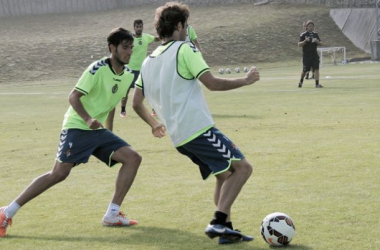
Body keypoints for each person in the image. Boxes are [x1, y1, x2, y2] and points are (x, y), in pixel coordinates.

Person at [132, 2, 260, 245]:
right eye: (186, 25)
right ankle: (218, 222)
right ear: (179, 26)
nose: (187, 30)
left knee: (224, 176)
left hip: (179, 138)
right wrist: (245, 80)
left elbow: (137, 102)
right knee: (243, 169)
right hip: (198, 129)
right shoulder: (185, 49)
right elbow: (211, 83)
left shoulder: (148, 61)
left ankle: (227, 232)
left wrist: (153, 123)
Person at [0, 27, 141, 237]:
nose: (129, 52)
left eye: (131, 47)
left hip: (97, 131)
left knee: (133, 158)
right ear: (112, 48)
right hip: (77, 126)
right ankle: (6, 212)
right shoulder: (96, 69)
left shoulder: (128, 75)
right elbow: (73, 96)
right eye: (124, 47)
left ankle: (112, 214)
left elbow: (110, 104)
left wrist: (108, 132)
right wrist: (87, 118)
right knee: (59, 174)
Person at [120, 19, 160, 118]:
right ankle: (123, 110)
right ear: (134, 27)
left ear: (142, 27)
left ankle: (154, 110)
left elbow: (156, 39)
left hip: (142, 70)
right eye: (137, 27)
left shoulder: (146, 37)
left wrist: (166, 35)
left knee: (147, 89)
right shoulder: (130, 39)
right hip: (129, 69)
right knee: (125, 90)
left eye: (140, 26)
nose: (139, 28)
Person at [298, 20, 323, 88]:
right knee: (305, 70)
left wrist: (318, 42)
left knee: (316, 69)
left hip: (314, 54)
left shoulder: (315, 34)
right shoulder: (303, 34)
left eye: (312, 26)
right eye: (309, 26)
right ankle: (301, 82)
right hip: (306, 55)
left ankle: (317, 84)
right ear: (306, 27)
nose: (311, 27)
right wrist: (305, 41)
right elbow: (299, 44)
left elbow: (321, 43)